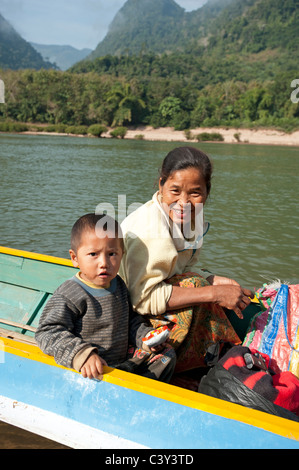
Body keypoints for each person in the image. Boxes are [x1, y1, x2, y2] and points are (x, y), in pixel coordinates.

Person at [119, 147, 254, 373]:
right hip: (128, 315)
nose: (184, 202)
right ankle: (182, 366)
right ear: (161, 186)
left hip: (154, 298)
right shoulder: (151, 229)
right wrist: (213, 292)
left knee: (203, 283)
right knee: (200, 288)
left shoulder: (191, 220)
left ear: (206, 192)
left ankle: (202, 363)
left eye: (194, 193)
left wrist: (213, 279)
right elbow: (142, 298)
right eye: (175, 190)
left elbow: (184, 267)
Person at [35, 213, 176, 383]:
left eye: (112, 254)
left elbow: (130, 320)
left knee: (167, 355)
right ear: (74, 258)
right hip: (90, 368)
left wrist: (146, 338)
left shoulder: (118, 285)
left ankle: (141, 391)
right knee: (93, 372)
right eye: (93, 254)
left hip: (121, 363)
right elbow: (47, 331)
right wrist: (81, 354)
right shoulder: (70, 293)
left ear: (121, 254)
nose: (104, 263)